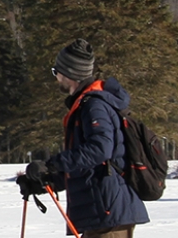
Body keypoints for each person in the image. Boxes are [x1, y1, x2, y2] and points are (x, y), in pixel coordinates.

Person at [18, 39, 149, 237]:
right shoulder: (86, 105)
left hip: (107, 213)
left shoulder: (94, 106)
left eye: (56, 72)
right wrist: (47, 181)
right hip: (100, 215)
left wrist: (53, 164)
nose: (56, 78)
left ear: (69, 74)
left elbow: (100, 149)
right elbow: (87, 166)